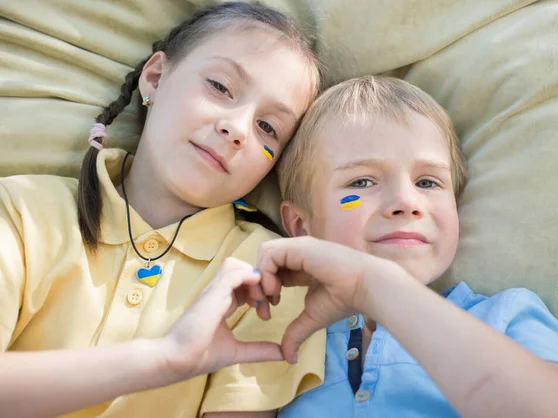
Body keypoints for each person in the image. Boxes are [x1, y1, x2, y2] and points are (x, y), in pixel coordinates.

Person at [0, 2, 325, 417]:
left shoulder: (266, 278)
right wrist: (165, 358)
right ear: (155, 77)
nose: (237, 128)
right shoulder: (24, 212)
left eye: (268, 128)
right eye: (220, 87)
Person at [251, 76, 558, 417]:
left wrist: (375, 287)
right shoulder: (280, 337)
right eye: (362, 181)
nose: (406, 201)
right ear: (300, 225)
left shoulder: (507, 316)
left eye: (427, 182)